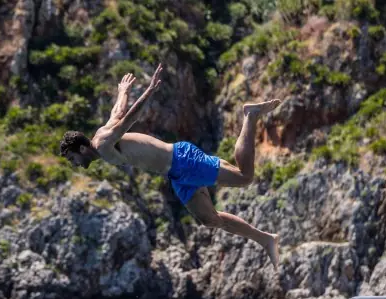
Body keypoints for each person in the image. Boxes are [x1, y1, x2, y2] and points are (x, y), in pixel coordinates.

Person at [59, 64, 281, 266]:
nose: (75, 164)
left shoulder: (104, 144)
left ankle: (250, 116)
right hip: (176, 175)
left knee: (244, 177)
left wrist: (150, 91)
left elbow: (128, 119)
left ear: (81, 149)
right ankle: (266, 239)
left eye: (72, 159)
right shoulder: (100, 137)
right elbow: (116, 112)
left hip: (182, 160)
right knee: (209, 219)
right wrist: (123, 91)